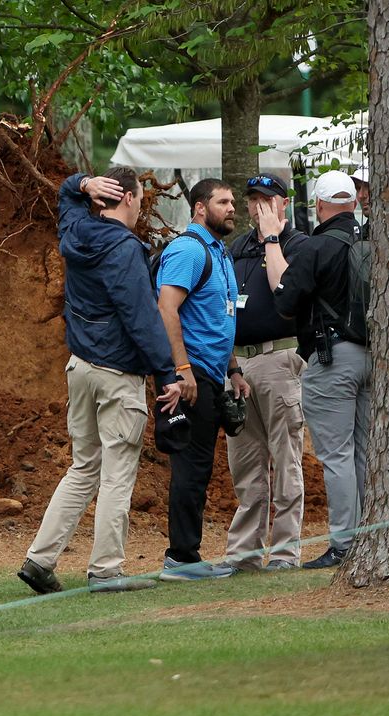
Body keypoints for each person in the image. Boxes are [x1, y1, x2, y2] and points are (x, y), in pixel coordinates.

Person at [17, 168, 182, 595]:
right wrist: (167, 374)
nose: (143, 203)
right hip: (117, 375)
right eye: (141, 196)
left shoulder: (77, 230)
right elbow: (140, 317)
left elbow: (66, 199)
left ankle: (39, 560)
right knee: (116, 474)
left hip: (81, 368)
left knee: (83, 467)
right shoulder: (124, 249)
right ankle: (106, 570)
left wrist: (81, 183)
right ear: (126, 197)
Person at [272, 170, 367, 569]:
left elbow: (286, 302)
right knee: (365, 452)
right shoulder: (374, 242)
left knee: (337, 455)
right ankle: (373, 535)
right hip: (373, 359)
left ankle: (344, 544)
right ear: (355, 203)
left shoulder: (314, 248)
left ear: (320, 206)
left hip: (332, 360)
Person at [156, 178, 249, 582]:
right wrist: (182, 371)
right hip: (190, 377)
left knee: (199, 469)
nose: (232, 208)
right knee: (191, 469)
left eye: (232, 202)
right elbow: (167, 309)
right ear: (199, 208)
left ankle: (186, 554)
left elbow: (220, 318)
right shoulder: (188, 250)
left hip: (212, 376)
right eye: (223, 202)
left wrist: (233, 369)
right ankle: (181, 558)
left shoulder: (221, 254)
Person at [223, 173, 309, 571]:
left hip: (280, 358)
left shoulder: (297, 243)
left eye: (267, 199)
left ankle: (286, 551)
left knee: (286, 457)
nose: (258, 206)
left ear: (283, 203)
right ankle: (244, 554)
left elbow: (286, 291)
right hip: (238, 363)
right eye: (253, 199)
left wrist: (273, 236)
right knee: (245, 463)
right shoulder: (237, 247)